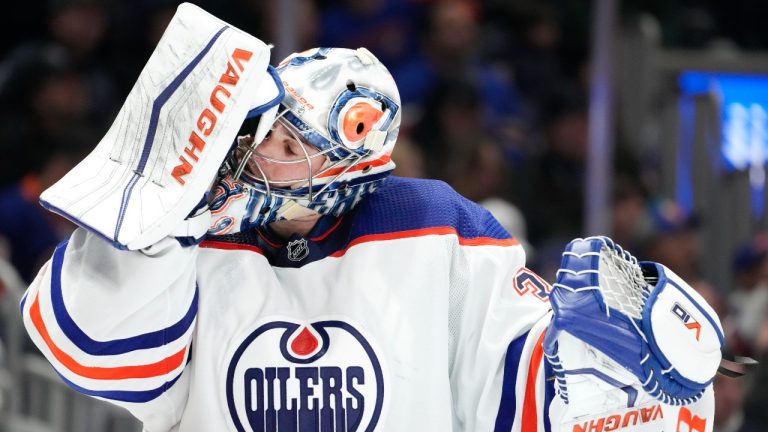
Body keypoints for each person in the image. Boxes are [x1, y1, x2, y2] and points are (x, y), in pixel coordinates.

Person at [20, 4, 725, 432]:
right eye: (265, 128)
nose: (261, 150)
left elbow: (511, 385)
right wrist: (152, 221)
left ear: (343, 173)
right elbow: (103, 360)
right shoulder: (196, 220)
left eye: (290, 144)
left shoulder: (438, 225)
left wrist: (600, 386)